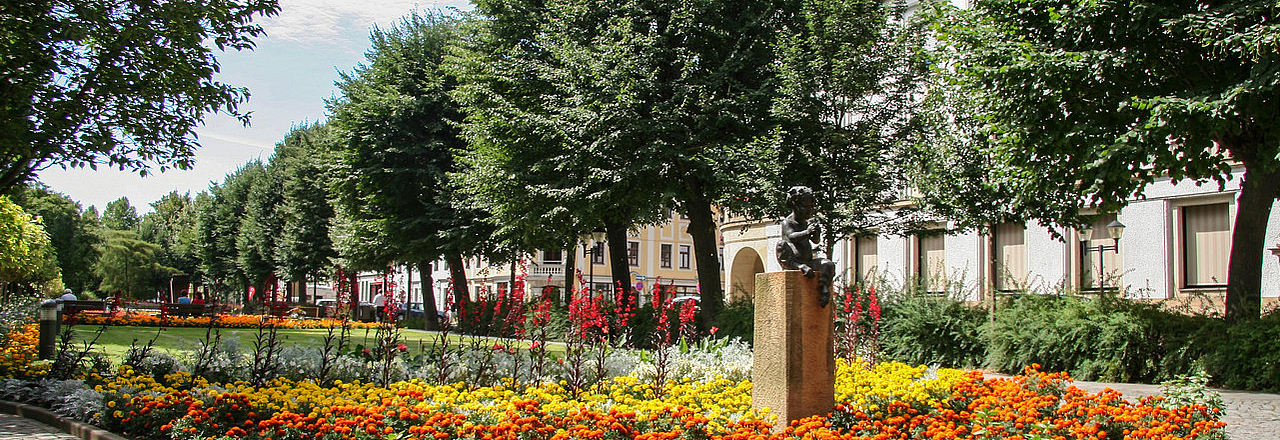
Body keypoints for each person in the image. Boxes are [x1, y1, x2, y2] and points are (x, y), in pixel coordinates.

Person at [775, 186, 836, 307]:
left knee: (828, 264)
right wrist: (807, 232)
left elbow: (816, 241)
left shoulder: (807, 223)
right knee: (781, 245)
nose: (809, 210)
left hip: (808, 261)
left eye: (811, 207)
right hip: (793, 261)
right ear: (795, 206)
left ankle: (824, 288)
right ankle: (797, 266)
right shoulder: (788, 222)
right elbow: (792, 237)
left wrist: (816, 232)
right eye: (805, 207)